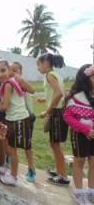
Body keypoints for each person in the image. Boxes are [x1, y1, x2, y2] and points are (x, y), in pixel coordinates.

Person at [0, 60, 35, 186]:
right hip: (16, 119)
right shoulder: (11, 82)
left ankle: (13, 176)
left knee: (12, 149)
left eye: (3, 70)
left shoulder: (7, 85)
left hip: (18, 120)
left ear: (9, 70)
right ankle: (10, 170)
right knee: (11, 146)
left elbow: (5, 106)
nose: (0, 74)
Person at [36, 53, 70, 186]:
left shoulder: (50, 75)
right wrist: (44, 99)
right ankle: (59, 170)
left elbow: (60, 93)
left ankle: (63, 176)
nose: (38, 68)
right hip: (59, 112)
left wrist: (48, 110)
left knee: (55, 145)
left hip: (56, 113)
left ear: (45, 62)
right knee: (54, 144)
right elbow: (60, 94)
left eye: (38, 64)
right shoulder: (55, 75)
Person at [63, 64, 94, 204]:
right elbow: (68, 117)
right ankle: (80, 192)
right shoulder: (76, 97)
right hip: (80, 133)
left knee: (93, 162)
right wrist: (85, 129)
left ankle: (91, 191)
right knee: (79, 161)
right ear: (85, 78)